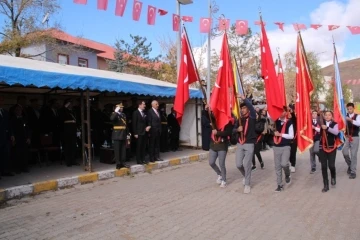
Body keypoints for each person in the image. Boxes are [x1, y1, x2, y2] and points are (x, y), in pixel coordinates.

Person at [234, 94, 256, 194]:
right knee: (239, 164)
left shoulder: (252, 117)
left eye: (244, 108)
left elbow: (251, 107)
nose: (242, 110)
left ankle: (247, 184)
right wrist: (237, 129)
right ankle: (245, 175)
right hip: (240, 143)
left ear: (248, 109)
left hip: (249, 143)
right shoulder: (239, 119)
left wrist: (244, 98)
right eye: (241, 108)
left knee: (247, 164)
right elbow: (233, 130)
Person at [273, 107, 294, 192]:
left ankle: (287, 174)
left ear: (286, 112)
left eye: (283, 111)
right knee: (277, 166)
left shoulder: (289, 122)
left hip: (285, 146)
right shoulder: (275, 121)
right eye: (279, 111)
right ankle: (279, 185)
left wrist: (281, 134)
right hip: (276, 146)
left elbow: (291, 136)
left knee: (284, 164)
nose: (281, 113)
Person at [208, 115, 233, 188]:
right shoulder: (214, 119)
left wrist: (218, 133)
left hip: (222, 145)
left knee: (221, 164)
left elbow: (228, 133)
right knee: (211, 162)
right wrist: (206, 110)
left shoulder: (228, 121)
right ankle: (220, 174)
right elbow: (209, 116)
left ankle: (224, 180)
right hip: (213, 144)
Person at [319, 110, 339, 192]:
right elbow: (316, 130)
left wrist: (327, 128)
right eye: (326, 115)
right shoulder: (321, 123)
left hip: (332, 147)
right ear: (324, 116)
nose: (327, 116)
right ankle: (326, 185)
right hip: (322, 147)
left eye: (329, 115)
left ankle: (333, 176)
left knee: (331, 165)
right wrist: (319, 127)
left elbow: (336, 132)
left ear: (332, 116)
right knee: (323, 166)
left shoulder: (335, 124)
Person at [10, 104, 31, 173]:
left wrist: (28, 137)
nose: (19, 111)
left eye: (20, 110)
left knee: (24, 154)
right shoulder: (12, 119)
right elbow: (11, 129)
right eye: (17, 110)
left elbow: (28, 129)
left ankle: (24, 167)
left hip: (24, 139)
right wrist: (12, 138)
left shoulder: (24, 119)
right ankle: (17, 168)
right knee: (17, 154)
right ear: (15, 111)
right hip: (17, 139)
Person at [59, 99, 79, 167]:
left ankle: (73, 160)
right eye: (70, 103)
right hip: (66, 131)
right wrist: (65, 107)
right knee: (67, 147)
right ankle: (68, 162)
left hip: (73, 130)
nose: (71, 105)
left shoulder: (73, 111)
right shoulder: (63, 110)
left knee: (73, 146)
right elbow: (61, 116)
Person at [343, 102, 360, 179]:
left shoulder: (357, 116)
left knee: (353, 154)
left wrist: (351, 120)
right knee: (345, 152)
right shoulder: (344, 116)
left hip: (355, 137)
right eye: (348, 109)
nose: (349, 110)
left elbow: (358, 123)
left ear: (353, 108)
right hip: (347, 137)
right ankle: (350, 165)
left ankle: (353, 171)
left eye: (350, 109)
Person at [110, 103, 129, 169]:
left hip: (123, 133)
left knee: (123, 150)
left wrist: (127, 133)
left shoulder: (123, 115)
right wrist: (115, 111)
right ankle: (118, 164)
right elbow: (112, 119)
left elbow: (125, 125)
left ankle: (123, 163)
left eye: (122, 107)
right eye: (120, 107)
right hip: (117, 134)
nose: (121, 108)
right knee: (117, 150)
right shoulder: (114, 114)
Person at [132, 100, 149, 164]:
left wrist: (147, 126)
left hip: (144, 132)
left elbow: (146, 122)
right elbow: (134, 123)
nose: (144, 106)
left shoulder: (144, 113)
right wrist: (135, 133)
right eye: (143, 104)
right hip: (138, 133)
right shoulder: (135, 113)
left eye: (144, 104)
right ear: (139, 105)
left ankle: (143, 159)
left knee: (143, 146)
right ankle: (139, 160)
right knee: (139, 147)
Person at [0, 96, 13, 178]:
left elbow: (9, 125)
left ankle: (4, 171)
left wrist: (11, 134)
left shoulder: (5, 112)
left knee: (5, 155)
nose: (2, 101)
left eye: (2, 100)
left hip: (5, 138)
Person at [288, 104, 297, 173]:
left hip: (294, 138)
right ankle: (289, 163)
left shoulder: (294, 120)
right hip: (286, 139)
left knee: (293, 153)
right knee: (287, 153)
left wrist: (292, 112)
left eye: (290, 111)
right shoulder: (286, 120)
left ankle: (293, 165)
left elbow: (293, 117)